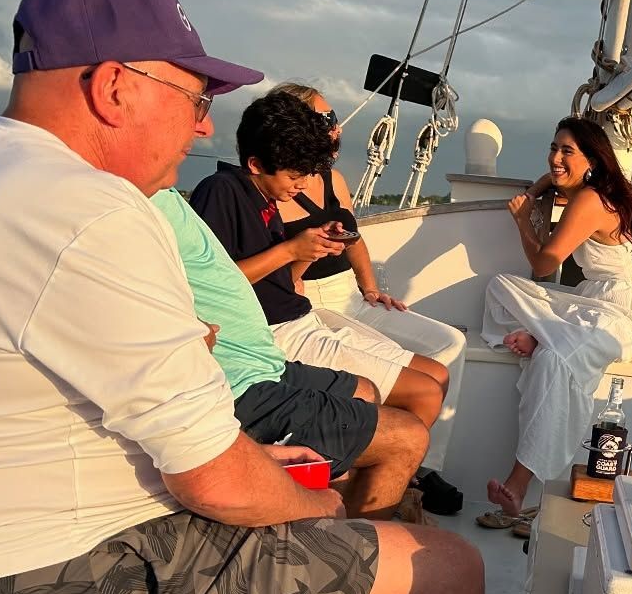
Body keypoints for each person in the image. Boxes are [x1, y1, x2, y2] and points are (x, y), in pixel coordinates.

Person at [0, 0, 484, 594]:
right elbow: (214, 478)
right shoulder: (92, 213)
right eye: (194, 93)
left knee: (267, 512)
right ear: (114, 87)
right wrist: (324, 508)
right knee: (444, 576)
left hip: (17, 545)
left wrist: (260, 486)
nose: (206, 123)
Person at [189, 93, 462, 514]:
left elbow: (283, 281)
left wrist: (307, 253)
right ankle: (387, 485)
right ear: (257, 164)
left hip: (300, 319)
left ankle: (386, 481)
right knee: (423, 393)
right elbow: (216, 284)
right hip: (277, 333)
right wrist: (290, 249)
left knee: (433, 374)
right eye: (295, 175)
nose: (300, 185)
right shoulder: (222, 191)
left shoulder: (267, 199)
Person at [151, 187, 427, 519]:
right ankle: (355, 553)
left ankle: (339, 522)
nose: (204, 131)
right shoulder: (213, 195)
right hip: (238, 378)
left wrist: (306, 255)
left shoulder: (171, 196)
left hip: (264, 359)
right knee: (409, 436)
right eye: (295, 174)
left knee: (366, 390)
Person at [268, 81, 468, 514]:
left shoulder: (331, 179)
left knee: (450, 342)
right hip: (309, 301)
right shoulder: (273, 185)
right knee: (398, 364)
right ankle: (382, 463)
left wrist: (371, 288)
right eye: (325, 120)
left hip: (349, 293)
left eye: (334, 120)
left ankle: (421, 466)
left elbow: (353, 236)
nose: (335, 128)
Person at [480, 117, 632, 517]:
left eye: (567, 151)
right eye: (553, 147)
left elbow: (545, 263)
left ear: (593, 160)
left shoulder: (591, 200)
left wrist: (523, 221)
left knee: (556, 357)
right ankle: (546, 334)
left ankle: (518, 484)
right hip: (594, 303)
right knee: (501, 285)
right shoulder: (592, 192)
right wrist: (542, 185)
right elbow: (551, 182)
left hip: (630, 317)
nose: (555, 157)